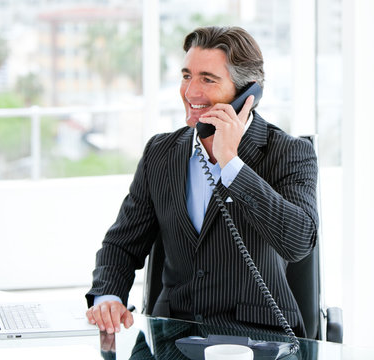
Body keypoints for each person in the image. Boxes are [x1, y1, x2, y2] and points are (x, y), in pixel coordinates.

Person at [85, 25, 318, 338]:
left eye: (207, 79)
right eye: (186, 76)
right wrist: (108, 297)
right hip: (172, 337)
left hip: (259, 339)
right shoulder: (161, 152)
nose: (190, 92)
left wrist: (231, 163)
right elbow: (122, 244)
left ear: (247, 93)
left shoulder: (288, 152)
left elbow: (299, 242)